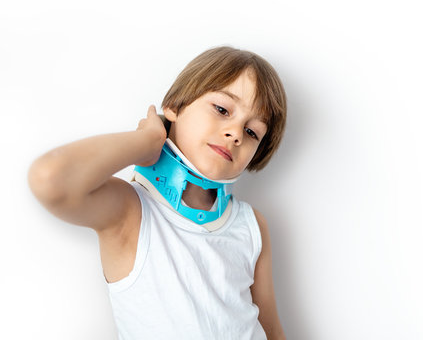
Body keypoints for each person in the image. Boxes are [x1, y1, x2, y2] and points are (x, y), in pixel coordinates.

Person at [28, 46, 287, 339]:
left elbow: (272, 329)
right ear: (174, 106)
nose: (236, 133)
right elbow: (50, 178)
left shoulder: (252, 224)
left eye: (252, 132)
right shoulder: (130, 212)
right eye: (222, 109)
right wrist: (147, 140)